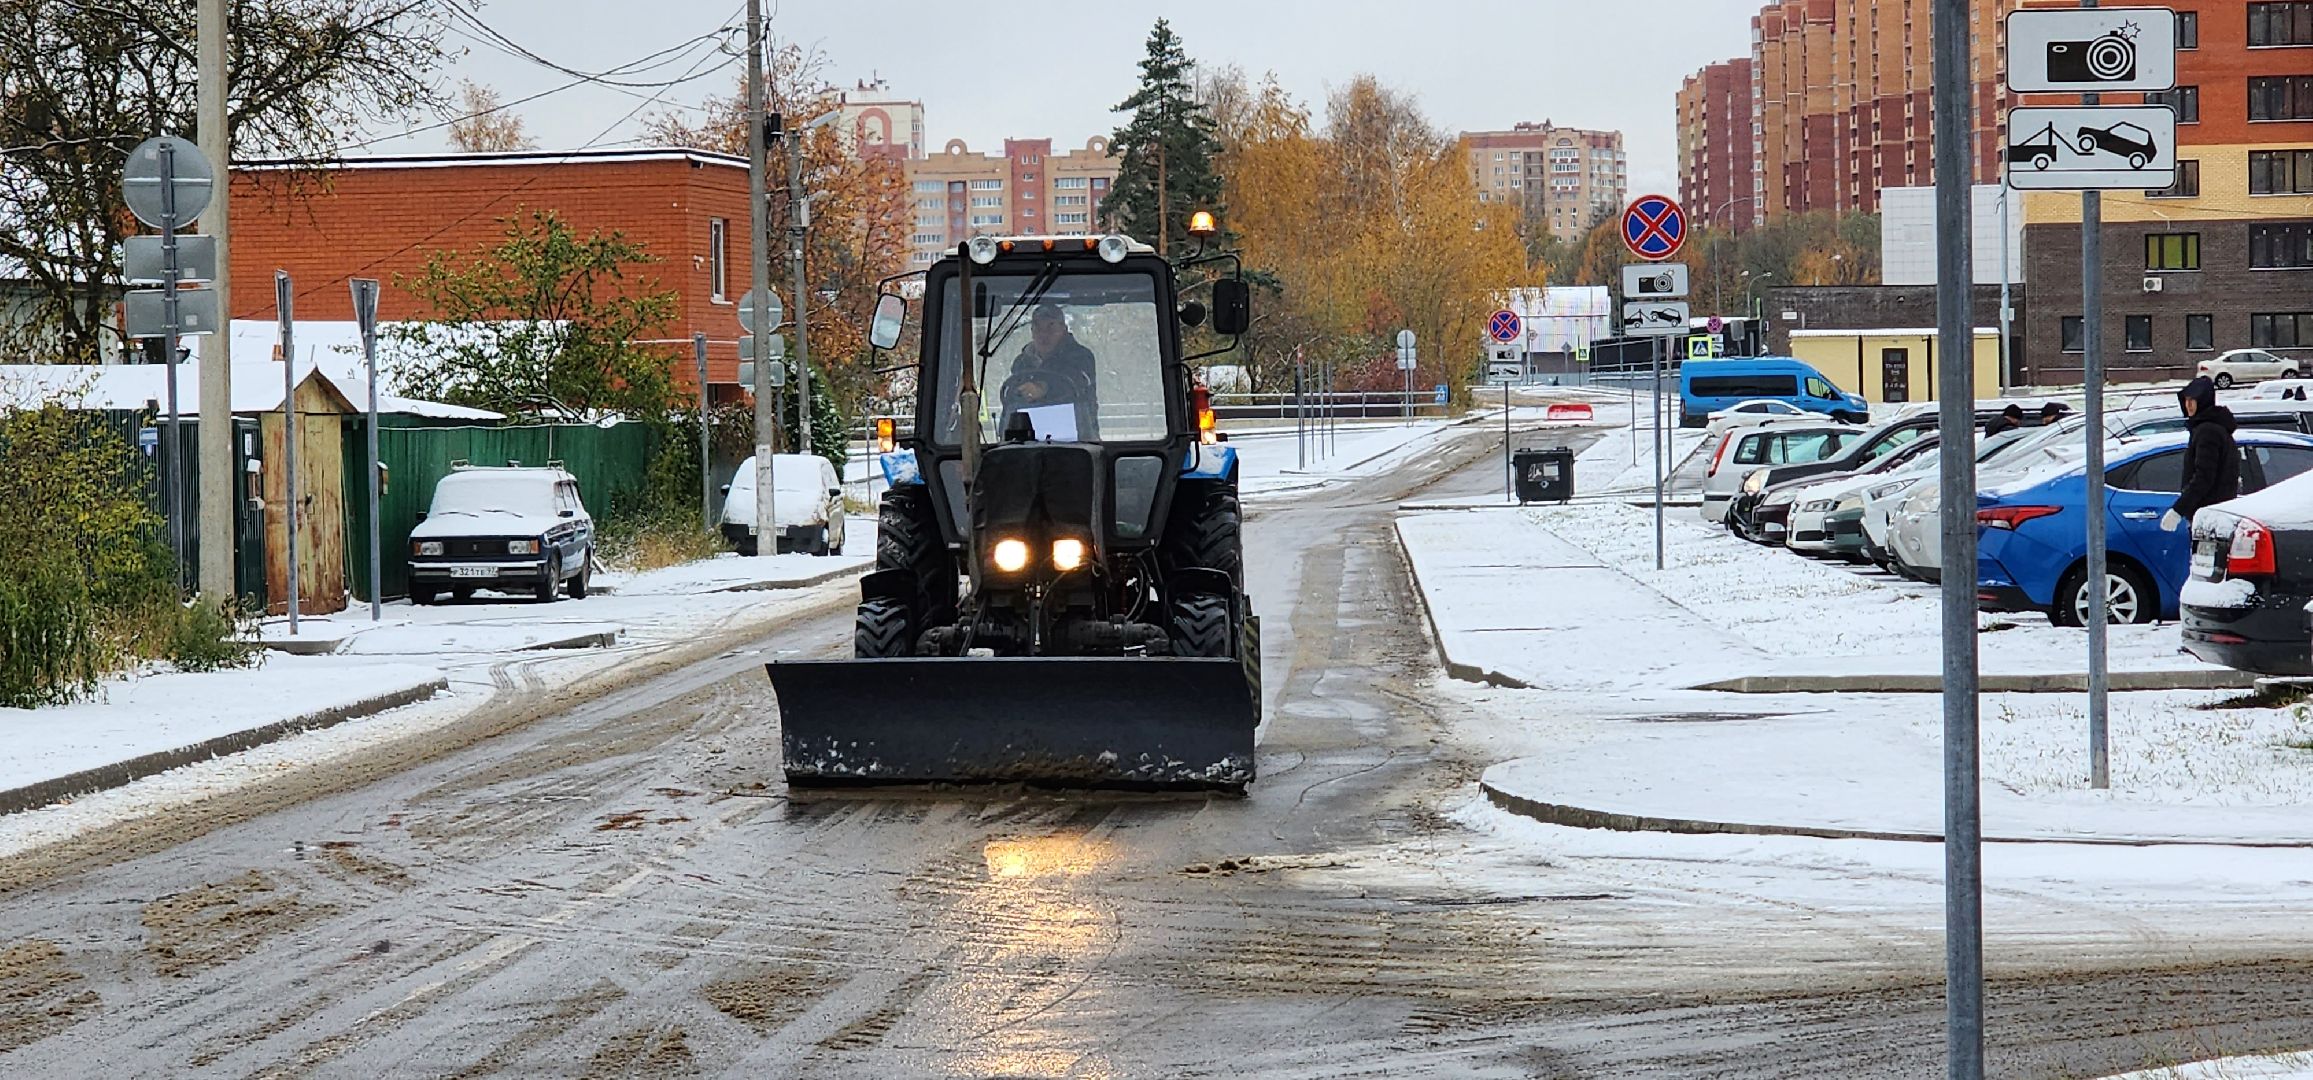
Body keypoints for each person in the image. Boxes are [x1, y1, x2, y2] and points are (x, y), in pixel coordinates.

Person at [2165, 376, 2238, 532]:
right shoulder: (2213, 427)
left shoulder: (2207, 431)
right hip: (2215, 513)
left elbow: (2204, 476)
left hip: (2209, 516)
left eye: (2193, 400)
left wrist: (2178, 510)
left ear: (2203, 401)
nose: (2188, 405)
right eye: (2186, 400)